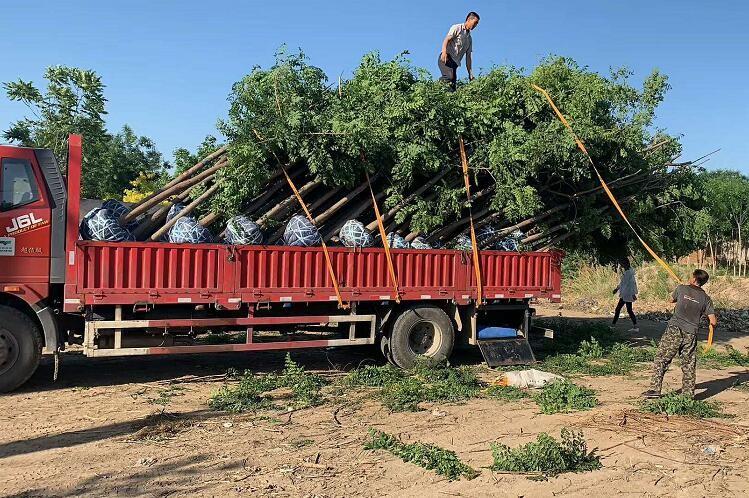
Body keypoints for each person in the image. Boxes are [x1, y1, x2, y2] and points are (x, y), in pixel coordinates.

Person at [643, 269, 717, 399]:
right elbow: (713, 321)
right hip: (691, 333)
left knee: (662, 358)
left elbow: (671, 300)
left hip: (674, 329)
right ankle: (688, 395)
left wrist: (681, 294)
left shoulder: (681, 288)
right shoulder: (706, 299)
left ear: (694, 279)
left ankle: (655, 390)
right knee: (688, 364)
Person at [438, 11, 480, 91]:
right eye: (475, 23)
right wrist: (444, 52)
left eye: (477, 24)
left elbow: (468, 58)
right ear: (468, 19)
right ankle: (435, 89)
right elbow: (446, 39)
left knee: (452, 88)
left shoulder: (469, 39)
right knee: (448, 78)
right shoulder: (457, 27)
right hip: (446, 57)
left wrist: (470, 74)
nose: (476, 25)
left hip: (454, 64)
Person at [612, 259, 638, 332]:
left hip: (627, 294)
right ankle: (635, 326)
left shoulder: (628, 273)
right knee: (628, 310)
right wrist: (617, 289)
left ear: (626, 264)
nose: (622, 266)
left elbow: (630, 284)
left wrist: (633, 293)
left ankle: (613, 324)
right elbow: (623, 283)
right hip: (626, 294)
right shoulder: (629, 273)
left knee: (619, 309)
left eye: (622, 264)